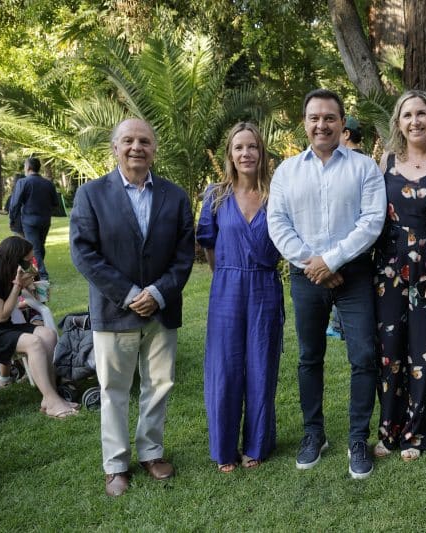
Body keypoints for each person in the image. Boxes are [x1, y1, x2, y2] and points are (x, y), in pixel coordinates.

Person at [69, 118, 195, 497]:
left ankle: (151, 452)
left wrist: (157, 292)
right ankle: (115, 464)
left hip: (161, 308)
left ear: (154, 149)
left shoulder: (175, 196)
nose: (136, 147)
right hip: (114, 310)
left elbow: (184, 255)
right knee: (114, 388)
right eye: (128, 141)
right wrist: (127, 294)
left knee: (159, 384)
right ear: (115, 148)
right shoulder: (91, 194)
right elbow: (84, 253)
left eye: (144, 141)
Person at [267, 88, 386, 480]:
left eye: (329, 118)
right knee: (309, 356)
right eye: (314, 118)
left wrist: (331, 261)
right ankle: (313, 433)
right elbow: (278, 223)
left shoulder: (364, 168)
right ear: (304, 123)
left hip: (354, 274)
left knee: (363, 356)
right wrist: (313, 264)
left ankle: (357, 438)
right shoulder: (286, 172)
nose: (322, 124)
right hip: (306, 277)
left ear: (342, 122)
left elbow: (372, 220)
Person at [372, 90, 426, 462]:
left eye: (421, 113)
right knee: (389, 352)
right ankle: (388, 431)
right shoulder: (386, 161)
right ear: (398, 122)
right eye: (407, 115)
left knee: (425, 352)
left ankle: (416, 434)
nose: (415, 121)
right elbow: (374, 216)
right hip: (389, 268)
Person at [197, 122, 284, 473]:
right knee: (225, 368)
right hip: (227, 287)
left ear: (261, 152)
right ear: (230, 155)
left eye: (252, 147)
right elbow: (209, 245)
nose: (246, 153)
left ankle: (257, 445)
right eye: (239, 147)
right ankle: (224, 448)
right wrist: (225, 274)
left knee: (262, 365)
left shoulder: (277, 194)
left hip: (265, 287)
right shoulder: (215, 195)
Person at [0, 236, 77, 418]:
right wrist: (17, 286)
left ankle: (50, 396)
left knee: (48, 335)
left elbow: (35, 299)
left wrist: (32, 287)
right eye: (27, 261)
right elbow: (1, 315)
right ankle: (52, 401)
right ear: (14, 259)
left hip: (4, 328)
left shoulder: (9, 272)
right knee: (34, 343)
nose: (30, 264)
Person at [326, 115, 366, 340]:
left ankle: (339, 326)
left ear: (346, 133)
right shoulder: (366, 160)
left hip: (351, 245)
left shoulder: (357, 164)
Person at [8, 157, 59, 280]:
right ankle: (37, 271)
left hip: (29, 220)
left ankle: (42, 275)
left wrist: (12, 219)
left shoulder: (23, 182)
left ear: (28, 167)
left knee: (35, 248)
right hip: (45, 220)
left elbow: (15, 203)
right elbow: (55, 203)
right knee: (40, 246)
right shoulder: (48, 183)